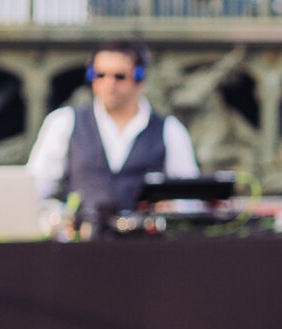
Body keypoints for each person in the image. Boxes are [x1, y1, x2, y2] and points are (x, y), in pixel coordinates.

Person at [28, 44, 198, 216]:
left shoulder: (170, 129)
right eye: (100, 75)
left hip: (146, 239)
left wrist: (174, 206)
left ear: (140, 78)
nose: (109, 84)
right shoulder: (63, 122)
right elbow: (35, 189)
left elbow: (191, 197)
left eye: (119, 76)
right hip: (82, 239)